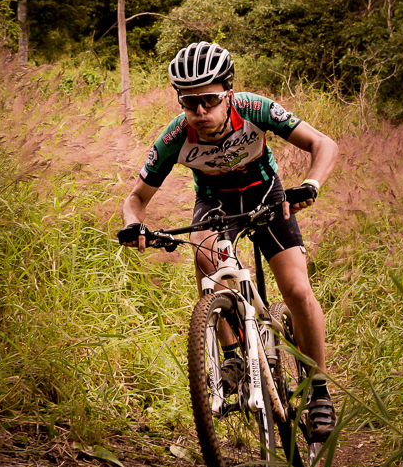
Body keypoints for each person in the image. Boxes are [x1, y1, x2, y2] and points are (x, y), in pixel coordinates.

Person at [117, 41, 339, 441]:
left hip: (266, 194)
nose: (200, 111)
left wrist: (311, 184)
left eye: (209, 100)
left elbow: (324, 144)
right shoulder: (175, 136)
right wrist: (134, 225)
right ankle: (233, 355)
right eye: (190, 102)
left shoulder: (255, 109)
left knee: (296, 289)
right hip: (215, 202)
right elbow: (135, 199)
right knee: (205, 257)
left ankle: (320, 391)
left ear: (229, 95)